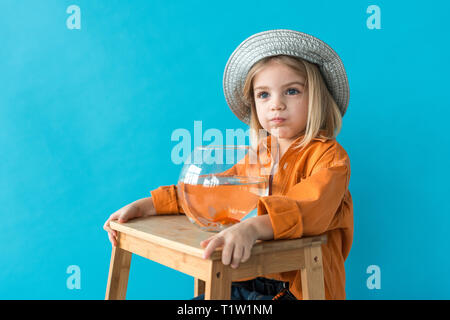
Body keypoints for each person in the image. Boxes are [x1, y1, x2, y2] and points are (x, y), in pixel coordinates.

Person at [103, 29, 353, 300]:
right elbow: (215, 189)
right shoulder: (260, 156)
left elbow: (309, 208)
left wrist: (251, 227)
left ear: (316, 97)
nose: (276, 105)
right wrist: (147, 205)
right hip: (246, 279)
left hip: (300, 288)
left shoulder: (330, 159)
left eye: (291, 91)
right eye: (264, 95)